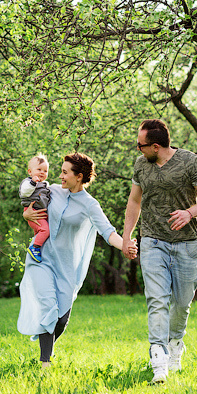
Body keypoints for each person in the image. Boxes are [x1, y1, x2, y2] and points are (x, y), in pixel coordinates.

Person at [121, 119, 197, 384]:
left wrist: (189, 213)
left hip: (186, 243)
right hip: (152, 241)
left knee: (182, 303)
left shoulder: (191, 162)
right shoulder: (142, 164)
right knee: (156, 299)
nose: (137, 149)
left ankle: (175, 343)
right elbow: (134, 200)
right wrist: (126, 236)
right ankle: (159, 359)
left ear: (155, 146)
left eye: (140, 145)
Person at [18, 153, 126, 367]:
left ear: (79, 177)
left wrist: (126, 245)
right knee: (49, 306)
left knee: (61, 319)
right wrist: (26, 215)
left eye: (65, 172)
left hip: (67, 267)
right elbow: (29, 199)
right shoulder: (52, 191)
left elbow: (107, 231)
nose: (60, 176)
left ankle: (45, 343)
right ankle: (44, 362)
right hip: (41, 259)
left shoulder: (90, 205)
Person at [19, 153, 52, 263]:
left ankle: (37, 248)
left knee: (40, 232)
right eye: (39, 169)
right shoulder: (28, 182)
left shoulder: (45, 185)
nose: (42, 172)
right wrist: (33, 182)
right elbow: (24, 192)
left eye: (45, 171)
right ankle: (35, 248)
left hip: (40, 214)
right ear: (30, 172)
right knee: (45, 230)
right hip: (32, 211)